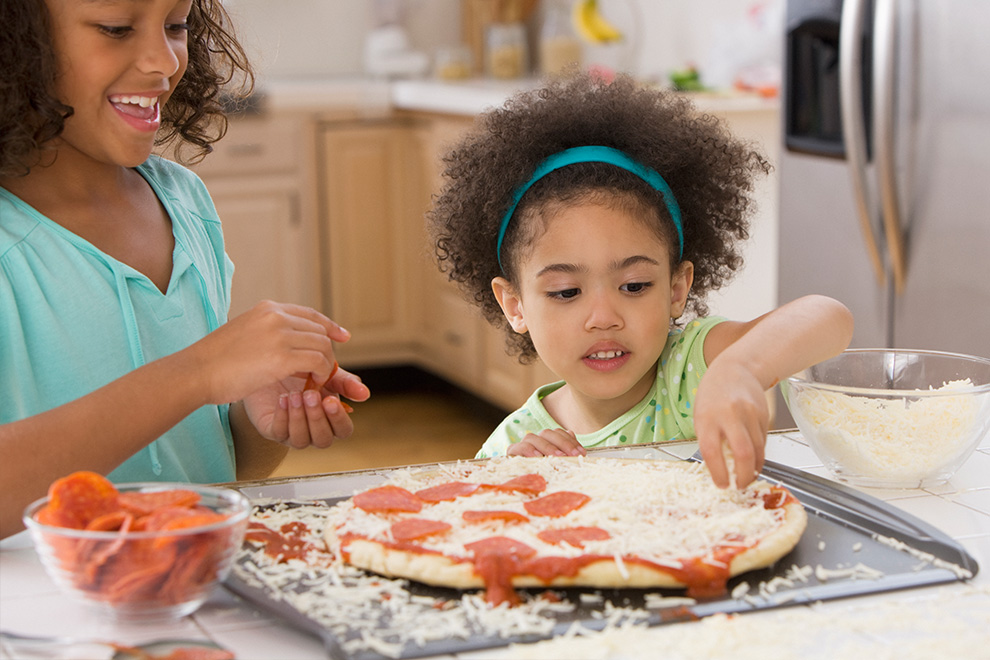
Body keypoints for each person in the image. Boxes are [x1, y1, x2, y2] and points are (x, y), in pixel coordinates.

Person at [0, 0, 370, 538]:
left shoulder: (182, 200)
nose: (163, 61)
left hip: (191, 588)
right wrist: (198, 372)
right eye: (116, 29)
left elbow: (205, 471)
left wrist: (262, 417)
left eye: (176, 26)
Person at [427, 73, 853, 489]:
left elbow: (829, 318)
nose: (603, 317)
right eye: (566, 292)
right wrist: (504, 488)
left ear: (676, 289)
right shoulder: (509, 447)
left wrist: (741, 369)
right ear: (515, 305)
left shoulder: (693, 370)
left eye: (633, 286)